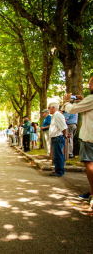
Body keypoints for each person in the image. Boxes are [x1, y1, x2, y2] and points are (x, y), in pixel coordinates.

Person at [63, 77, 93, 207]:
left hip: (89, 137)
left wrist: (67, 101)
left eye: (90, 83)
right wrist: (82, 100)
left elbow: (71, 110)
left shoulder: (91, 99)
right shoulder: (89, 99)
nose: (88, 85)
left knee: (89, 163)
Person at [48, 102, 68, 177]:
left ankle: (59, 171)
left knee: (58, 155)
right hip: (55, 137)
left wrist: (64, 136)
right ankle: (57, 170)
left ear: (54, 108)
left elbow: (64, 127)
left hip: (58, 137)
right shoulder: (54, 116)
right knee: (56, 155)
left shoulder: (57, 115)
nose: (48, 109)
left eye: (49, 107)